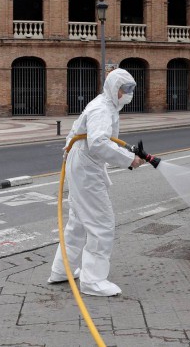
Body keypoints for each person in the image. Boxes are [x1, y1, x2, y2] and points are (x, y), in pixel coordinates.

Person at [48, 68, 144, 297]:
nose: (128, 94)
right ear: (113, 88)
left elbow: (84, 137)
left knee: (78, 222)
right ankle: (93, 281)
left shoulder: (106, 105)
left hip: (82, 166)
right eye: (124, 89)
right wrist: (130, 159)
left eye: (131, 89)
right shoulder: (102, 108)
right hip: (86, 170)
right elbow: (99, 143)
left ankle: (62, 270)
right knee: (101, 223)